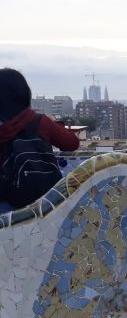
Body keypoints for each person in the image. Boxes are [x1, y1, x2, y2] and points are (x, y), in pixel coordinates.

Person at [0, 68, 79, 213]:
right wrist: (56, 125)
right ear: (24, 93)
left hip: (7, 205)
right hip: (46, 202)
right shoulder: (39, 122)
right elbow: (72, 143)